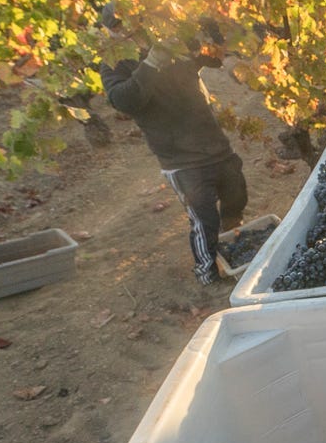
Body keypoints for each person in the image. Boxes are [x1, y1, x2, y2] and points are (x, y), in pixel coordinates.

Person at [102, 20, 248, 286]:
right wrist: (151, 64)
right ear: (115, 30)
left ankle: (232, 241)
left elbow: (210, 57)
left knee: (237, 193)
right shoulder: (116, 60)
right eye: (120, 27)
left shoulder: (170, 39)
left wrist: (211, 27)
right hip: (181, 159)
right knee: (204, 219)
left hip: (213, 142)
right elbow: (125, 101)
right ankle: (207, 272)